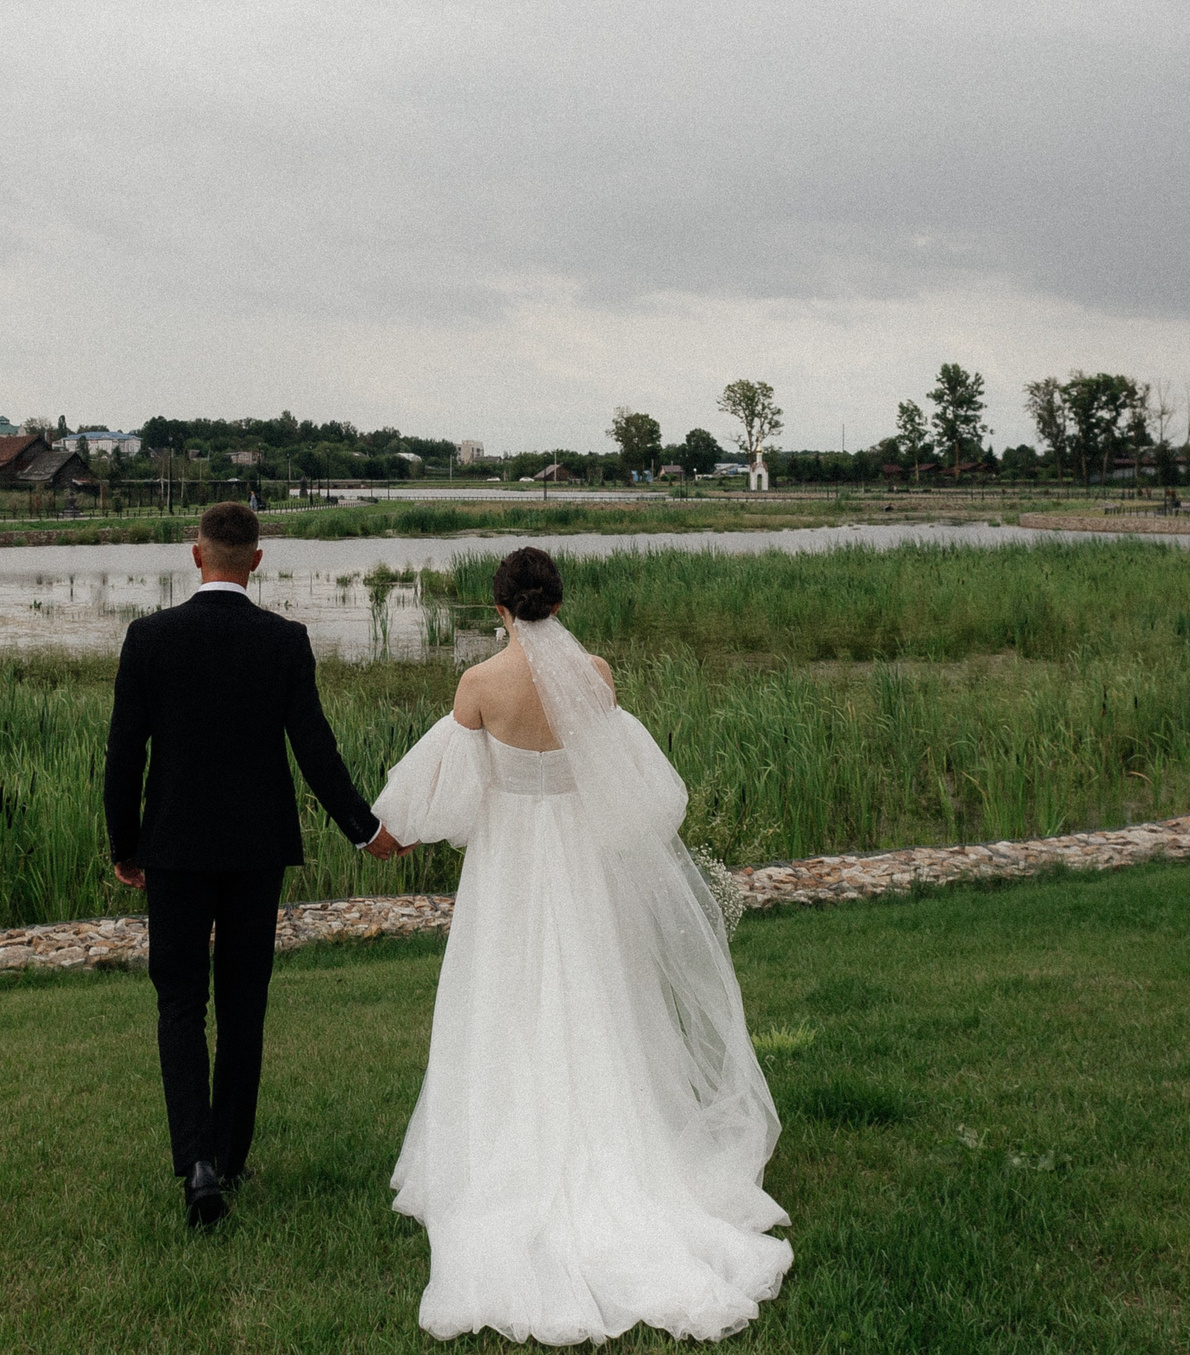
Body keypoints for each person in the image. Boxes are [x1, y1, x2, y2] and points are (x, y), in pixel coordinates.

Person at [373, 546, 791, 1341]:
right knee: (598, 991)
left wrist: (387, 830)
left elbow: (449, 797)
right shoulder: (594, 675)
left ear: (498, 608)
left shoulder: (479, 686)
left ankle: (503, 1154)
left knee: (505, 997)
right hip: (581, 861)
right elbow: (635, 785)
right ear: (557, 606)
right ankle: (620, 1146)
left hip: (509, 869)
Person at [103, 501, 405, 1228]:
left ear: (196, 554)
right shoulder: (284, 641)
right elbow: (315, 750)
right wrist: (366, 830)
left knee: (180, 1000)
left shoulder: (149, 638)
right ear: (257, 560)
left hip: (172, 847)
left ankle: (197, 1160)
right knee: (243, 1003)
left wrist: (124, 844)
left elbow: (123, 754)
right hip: (255, 849)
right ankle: (228, 1158)